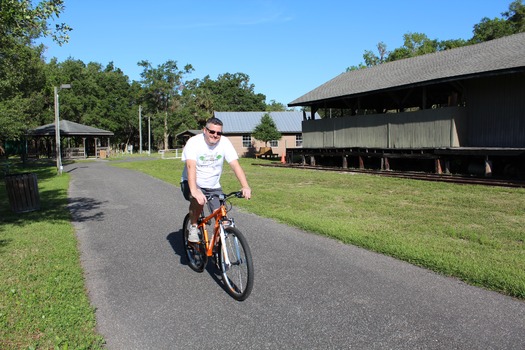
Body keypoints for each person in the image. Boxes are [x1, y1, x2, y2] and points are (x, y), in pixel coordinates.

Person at [180, 117, 251, 242]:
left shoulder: (225, 143)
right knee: (199, 200)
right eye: (212, 132)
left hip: (213, 185)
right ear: (205, 130)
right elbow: (191, 166)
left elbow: (235, 165)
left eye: (219, 133)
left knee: (222, 220)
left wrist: (245, 186)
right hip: (191, 182)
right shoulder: (194, 142)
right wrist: (195, 190)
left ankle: (219, 249)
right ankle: (193, 226)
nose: (215, 135)